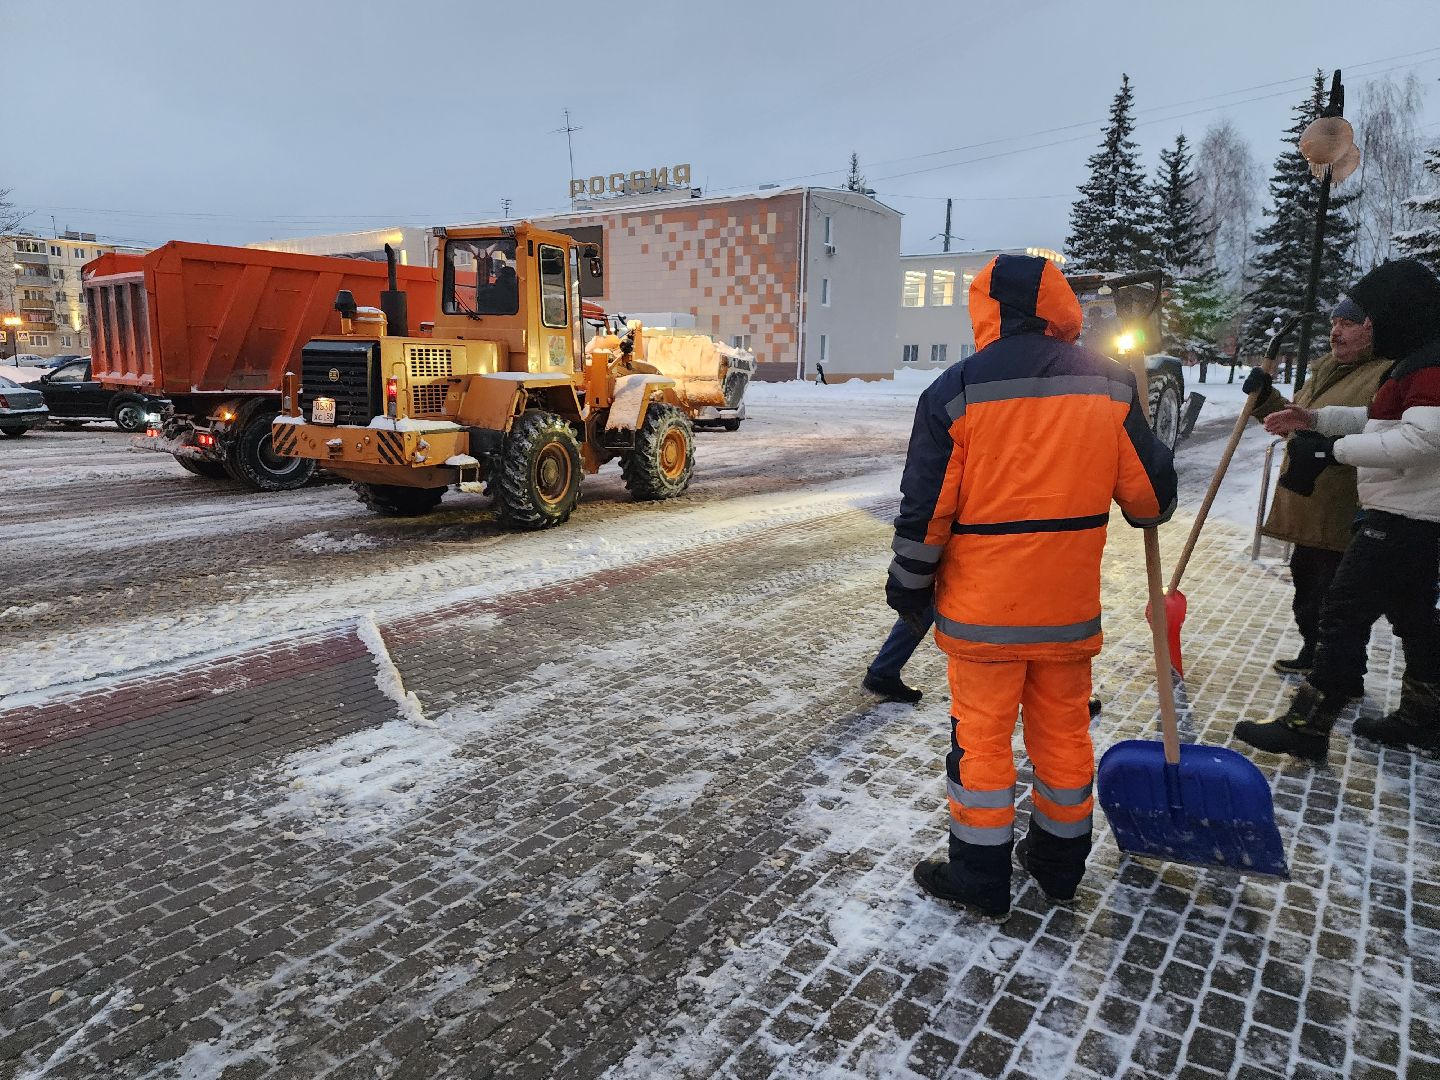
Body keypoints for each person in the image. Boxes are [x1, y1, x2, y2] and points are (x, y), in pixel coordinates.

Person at [887, 254, 1176, 921]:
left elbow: (924, 513)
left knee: (982, 741)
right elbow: (1150, 504)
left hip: (983, 617)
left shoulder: (955, 391)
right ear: (1060, 309)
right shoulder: (1107, 386)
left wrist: (909, 588)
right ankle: (1058, 868)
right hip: (1066, 617)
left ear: (986, 310)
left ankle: (979, 875)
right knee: (1064, 736)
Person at [1236, 259, 1440, 763]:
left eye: (1368, 315)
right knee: (1415, 617)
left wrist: (1331, 451)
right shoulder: (1416, 360)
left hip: (1406, 516)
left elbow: (1422, 439)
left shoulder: (1432, 365)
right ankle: (1424, 717)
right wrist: (1316, 418)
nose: (1361, 326)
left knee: (1343, 610)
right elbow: (1377, 416)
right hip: (1408, 513)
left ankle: (1308, 725)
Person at [1243, 298, 1391, 676]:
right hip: (1309, 499)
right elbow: (1300, 419)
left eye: (1348, 323)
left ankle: (1338, 670)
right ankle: (1315, 652)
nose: (1335, 332)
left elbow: (1380, 428)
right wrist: (1265, 399)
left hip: (1343, 504)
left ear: (1370, 329)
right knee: (1307, 589)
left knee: (1334, 596)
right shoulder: (1326, 370)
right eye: (1334, 323)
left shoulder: (1384, 376)